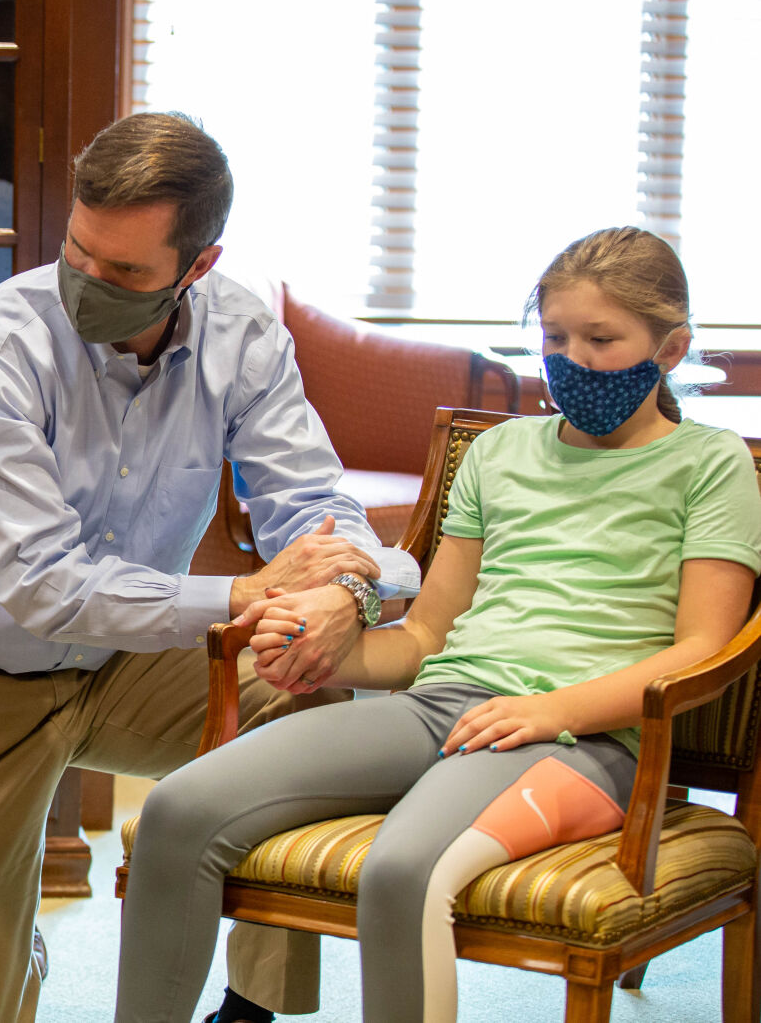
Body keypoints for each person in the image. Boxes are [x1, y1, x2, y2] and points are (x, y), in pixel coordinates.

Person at [115, 226, 761, 1023]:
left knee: (403, 870)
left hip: (583, 742)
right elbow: (423, 640)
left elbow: (702, 647)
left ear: (669, 350)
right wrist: (329, 657)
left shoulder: (711, 462)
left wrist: (550, 710)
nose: (572, 359)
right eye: (554, 337)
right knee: (179, 808)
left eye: (601, 338)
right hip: (444, 706)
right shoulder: (497, 454)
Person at [0, 110, 421, 1023]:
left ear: (196, 266)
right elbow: (42, 585)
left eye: (124, 272)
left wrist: (343, 593)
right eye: (78, 252)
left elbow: (317, 508)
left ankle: (250, 1007)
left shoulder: (240, 333)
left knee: (308, 672)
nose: (88, 282)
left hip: (129, 665)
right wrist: (246, 591)